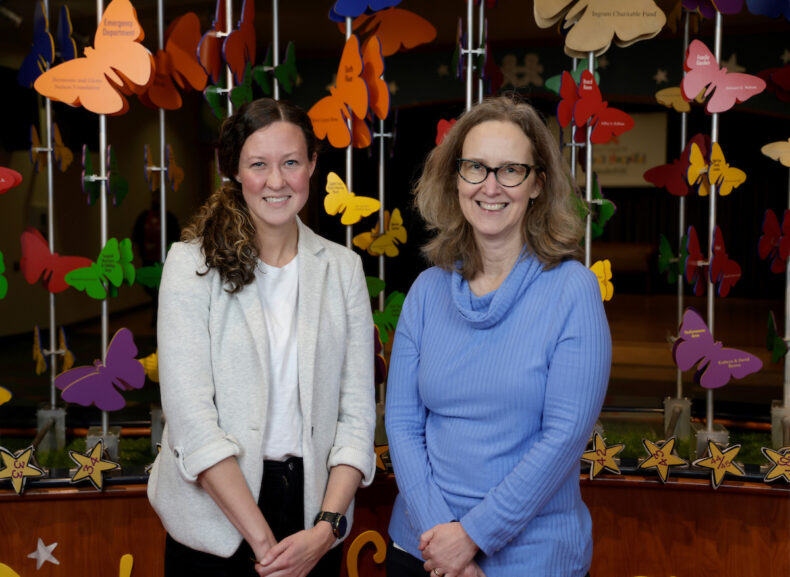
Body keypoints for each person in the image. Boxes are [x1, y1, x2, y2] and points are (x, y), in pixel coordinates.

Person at [147, 98, 376, 577]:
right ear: (234, 170)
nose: (277, 181)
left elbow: (356, 416)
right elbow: (192, 421)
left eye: (291, 162)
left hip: (314, 513)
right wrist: (266, 546)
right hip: (215, 520)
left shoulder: (342, 269)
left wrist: (326, 529)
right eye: (259, 165)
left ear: (312, 164)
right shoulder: (190, 266)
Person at [385, 96, 611, 577]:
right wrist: (441, 539)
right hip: (423, 551)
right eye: (475, 168)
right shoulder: (426, 292)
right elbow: (402, 426)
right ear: (455, 178)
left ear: (537, 184)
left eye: (511, 170)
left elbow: (564, 439)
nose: (490, 186)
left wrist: (472, 537)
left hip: (533, 558)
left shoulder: (574, 290)